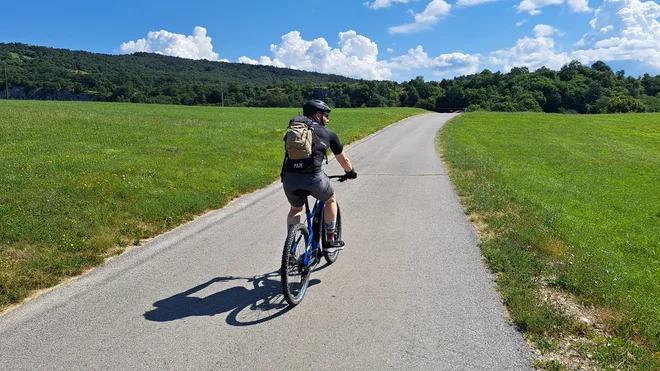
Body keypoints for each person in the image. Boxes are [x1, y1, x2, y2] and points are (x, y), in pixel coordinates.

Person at [281, 99, 357, 252]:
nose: (327, 120)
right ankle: (330, 241)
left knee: (296, 209)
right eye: (326, 115)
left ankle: (291, 248)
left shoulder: (294, 132)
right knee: (331, 199)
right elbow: (344, 160)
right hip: (313, 179)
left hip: (289, 178)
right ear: (317, 115)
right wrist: (350, 172)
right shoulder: (328, 134)